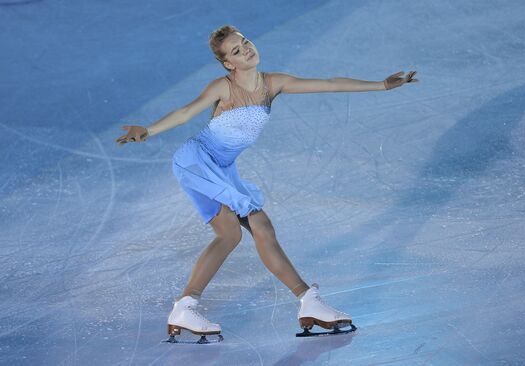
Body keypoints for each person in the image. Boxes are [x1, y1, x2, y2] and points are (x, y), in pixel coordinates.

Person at [116, 25, 418, 341]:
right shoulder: (223, 87)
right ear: (228, 64)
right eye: (235, 51)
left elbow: (328, 84)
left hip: (222, 168)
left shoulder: (272, 84)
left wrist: (381, 85)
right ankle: (291, 300)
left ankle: (295, 303)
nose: (246, 49)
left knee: (240, 233)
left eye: (245, 42)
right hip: (196, 161)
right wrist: (148, 131)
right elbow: (185, 112)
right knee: (247, 228)